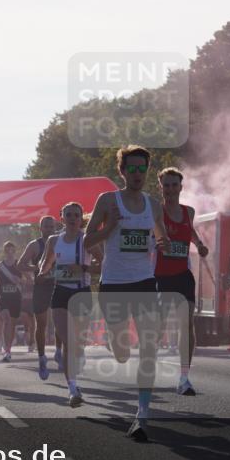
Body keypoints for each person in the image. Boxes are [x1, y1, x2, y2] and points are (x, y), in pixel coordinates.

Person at [85, 144, 170, 442]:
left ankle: (142, 416)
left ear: (147, 171)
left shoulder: (153, 205)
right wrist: (108, 232)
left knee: (149, 346)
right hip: (114, 283)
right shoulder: (107, 201)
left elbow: (161, 236)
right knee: (122, 354)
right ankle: (113, 340)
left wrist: (162, 244)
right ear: (121, 171)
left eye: (141, 169)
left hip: (144, 281)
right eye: (131, 168)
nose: (136, 174)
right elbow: (86, 241)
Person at [38, 202, 103, 407]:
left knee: (78, 341)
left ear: (81, 217)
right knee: (67, 341)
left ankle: (80, 354)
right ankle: (73, 389)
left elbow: (103, 264)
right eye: (69, 215)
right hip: (61, 292)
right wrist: (42, 273)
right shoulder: (53, 240)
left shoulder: (87, 240)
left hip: (81, 292)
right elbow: (45, 263)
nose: (73, 218)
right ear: (62, 218)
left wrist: (83, 267)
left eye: (77, 214)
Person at [155, 167, 209, 396]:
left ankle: (184, 378)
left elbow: (191, 232)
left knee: (186, 323)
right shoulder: (155, 211)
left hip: (182, 276)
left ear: (181, 187)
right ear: (161, 187)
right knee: (157, 329)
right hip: (160, 276)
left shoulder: (189, 212)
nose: (170, 189)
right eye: (166, 185)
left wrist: (198, 244)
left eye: (174, 185)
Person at [17, 216, 63, 380]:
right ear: (40, 228)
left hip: (59, 285)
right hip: (41, 287)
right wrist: (35, 268)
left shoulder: (61, 241)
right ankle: (42, 358)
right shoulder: (35, 245)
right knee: (41, 324)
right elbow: (20, 265)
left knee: (59, 321)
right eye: (46, 226)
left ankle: (58, 352)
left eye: (52, 226)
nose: (49, 229)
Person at [0, 241, 24, 362]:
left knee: (11, 323)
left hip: (15, 297)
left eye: (12, 250)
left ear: (15, 251)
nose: (10, 252)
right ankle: (6, 349)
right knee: (6, 319)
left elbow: (24, 280)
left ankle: (8, 348)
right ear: (4, 251)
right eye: (7, 250)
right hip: (3, 296)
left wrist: (19, 279)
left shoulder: (19, 265)